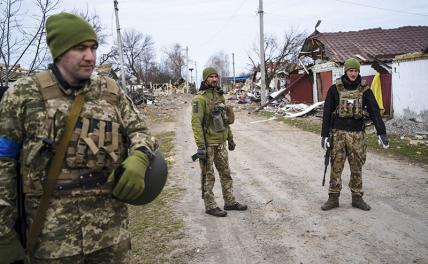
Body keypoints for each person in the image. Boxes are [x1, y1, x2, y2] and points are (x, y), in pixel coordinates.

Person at [0, 12, 156, 263]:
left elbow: (141, 131)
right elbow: (3, 164)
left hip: (110, 234)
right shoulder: (23, 96)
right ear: (60, 51)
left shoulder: (111, 92)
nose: (90, 56)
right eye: (80, 48)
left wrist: (140, 156)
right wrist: (3, 234)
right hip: (52, 240)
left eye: (93, 47)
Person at [320, 57, 390, 211]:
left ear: (358, 71)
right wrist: (324, 134)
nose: (353, 73)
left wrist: (381, 132)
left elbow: (375, 112)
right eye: (350, 70)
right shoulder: (335, 89)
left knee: (357, 167)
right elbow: (327, 113)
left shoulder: (365, 90)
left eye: (356, 70)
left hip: (357, 135)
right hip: (338, 134)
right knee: (336, 166)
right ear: (346, 71)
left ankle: (357, 198)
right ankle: (333, 198)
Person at [191, 67, 247, 217]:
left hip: (221, 142)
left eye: (216, 76)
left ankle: (230, 201)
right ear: (205, 79)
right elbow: (196, 123)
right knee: (208, 176)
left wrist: (230, 138)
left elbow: (225, 121)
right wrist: (201, 146)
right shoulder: (199, 99)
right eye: (211, 77)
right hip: (208, 144)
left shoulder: (219, 95)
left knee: (226, 173)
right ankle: (210, 206)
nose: (214, 79)